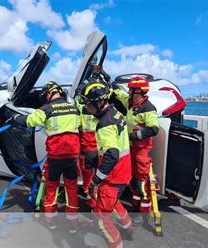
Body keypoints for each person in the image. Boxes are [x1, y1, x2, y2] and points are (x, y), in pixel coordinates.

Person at [8, 81, 81, 232]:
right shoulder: (74, 109)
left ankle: (51, 221)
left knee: (51, 189)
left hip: (55, 157)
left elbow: (28, 121)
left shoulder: (46, 109)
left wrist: (14, 118)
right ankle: (73, 224)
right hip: (73, 157)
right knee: (71, 189)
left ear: (48, 94)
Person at [79, 81, 134, 248]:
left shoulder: (105, 123)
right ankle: (128, 228)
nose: (87, 108)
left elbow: (111, 154)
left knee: (101, 220)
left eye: (89, 104)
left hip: (113, 177)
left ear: (99, 102)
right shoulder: (115, 113)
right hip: (123, 173)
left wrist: (96, 180)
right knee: (114, 202)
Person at [112, 76, 159, 226]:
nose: (129, 92)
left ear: (137, 91)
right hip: (131, 148)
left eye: (131, 89)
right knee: (132, 179)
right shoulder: (131, 104)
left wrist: (133, 136)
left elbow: (153, 129)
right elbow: (120, 94)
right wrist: (107, 79)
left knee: (142, 183)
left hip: (141, 150)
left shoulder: (148, 108)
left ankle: (144, 214)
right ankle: (135, 205)